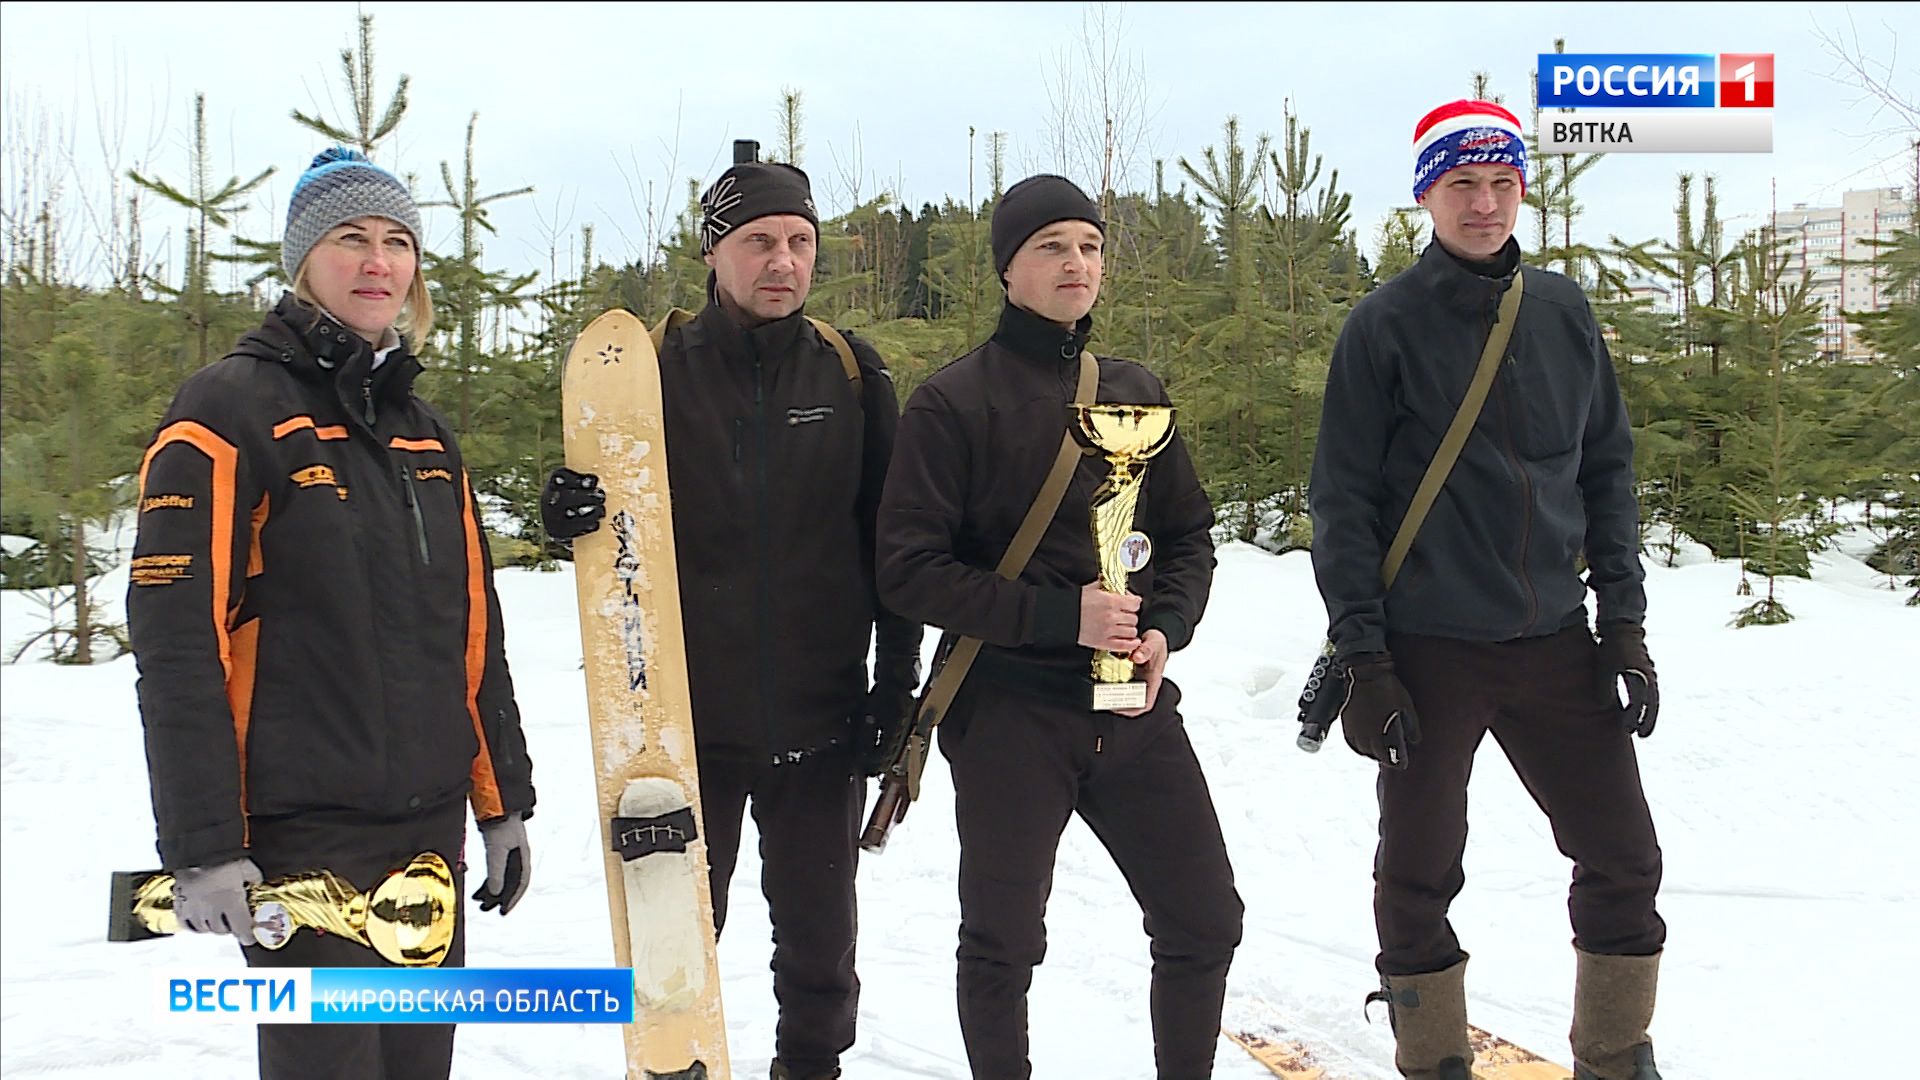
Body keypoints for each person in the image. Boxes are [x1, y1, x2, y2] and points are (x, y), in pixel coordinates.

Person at [128, 147, 537, 1079]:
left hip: (425, 836)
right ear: (303, 259)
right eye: (350, 238)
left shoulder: (423, 432)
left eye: (397, 241)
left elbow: (472, 631)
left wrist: (500, 800)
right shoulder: (225, 410)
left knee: (416, 1069)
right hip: (301, 848)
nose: (377, 262)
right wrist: (203, 847)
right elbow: (176, 643)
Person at [541, 152, 923, 1080]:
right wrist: (567, 519)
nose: (782, 261)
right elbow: (612, 523)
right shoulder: (653, 371)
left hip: (820, 726)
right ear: (714, 252)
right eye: (759, 242)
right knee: (673, 950)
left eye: (799, 242)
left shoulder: (851, 373)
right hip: (683, 736)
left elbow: (891, 547)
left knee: (821, 957)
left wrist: (892, 687)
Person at [1306, 100, 1666, 1080]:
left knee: (1626, 860)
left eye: (1503, 181)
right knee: (1418, 878)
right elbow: (1340, 505)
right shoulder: (1382, 327)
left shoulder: (1560, 312)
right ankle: (1432, 1060)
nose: (1486, 202)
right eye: (1463, 183)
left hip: (1554, 641)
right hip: (1428, 651)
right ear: (1427, 193)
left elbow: (1607, 470)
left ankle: (1616, 1055)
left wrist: (1623, 625)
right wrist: (1366, 660)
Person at [874, 174, 1244, 1080]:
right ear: (1009, 269)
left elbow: (1189, 533)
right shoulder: (952, 402)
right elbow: (908, 571)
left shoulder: (1133, 390)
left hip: (1129, 706)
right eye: (1051, 246)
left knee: (1204, 918)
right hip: (1008, 712)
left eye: (1088, 245)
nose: (1075, 262)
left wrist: (1166, 629)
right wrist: (1056, 615)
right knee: (1002, 944)